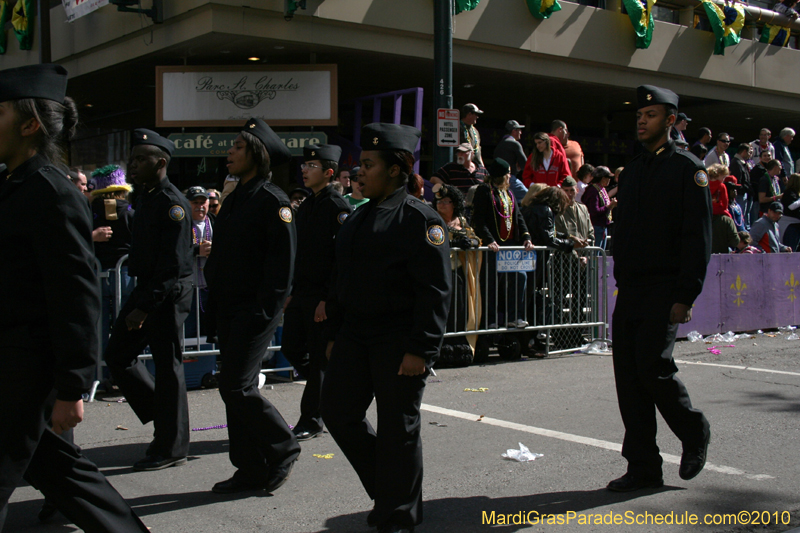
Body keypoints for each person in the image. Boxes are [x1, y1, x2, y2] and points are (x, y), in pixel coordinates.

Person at [0, 63, 149, 532]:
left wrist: (72, 386)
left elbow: (76, 295)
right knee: (58, 470)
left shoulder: (50, 191)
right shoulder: (11, 186)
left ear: (30, 125)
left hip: (26, 369)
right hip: (8, 367)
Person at [319, 123, 451, 533]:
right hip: (355, 335)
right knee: (338, 413)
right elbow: (342, 282)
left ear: (395, 170)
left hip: (398, 339)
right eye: (360, 164)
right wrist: (334, 335)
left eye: (369, 164)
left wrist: (421, 350)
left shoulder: (419, 219)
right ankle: (391, 490)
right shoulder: (358, 218)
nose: (359, 171)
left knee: (398, 428)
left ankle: (398, 513)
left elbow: (435, 291)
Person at [609, 85, 711, 493]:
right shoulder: (632, 170)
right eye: (639, 114)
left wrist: (686, 294)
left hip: (665, 287)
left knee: (654, 368)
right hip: (631, 288)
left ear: (670, 121)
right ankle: (643, 466)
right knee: (629, 379)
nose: (641, 120)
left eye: (650, 114)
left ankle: (693, 429)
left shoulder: (688, 168)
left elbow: (696, 236)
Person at [204, 118, 301, 494]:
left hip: (254, 311)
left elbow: (281, 269)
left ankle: (282, 448)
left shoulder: (274, 202)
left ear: (257, 155)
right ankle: (249, 466)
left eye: (238, 147)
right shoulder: (234, 199)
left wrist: (264, 313)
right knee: (232, 390)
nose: (230, 152)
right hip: (229, 308)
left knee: (237, 387)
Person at [104, 129, 194, 472]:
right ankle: (165, 419)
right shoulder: (146, 196)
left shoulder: (172, 204)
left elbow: (173, 266)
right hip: (147, 287)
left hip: (165, 293)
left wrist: (144, 306)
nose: (133, 164)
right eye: (132, 158)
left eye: (141, 159)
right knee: (118, 354)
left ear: (160, 163)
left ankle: (171, 445)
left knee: (167, 364)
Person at [282, 144, 351, 442]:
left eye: (312, 166)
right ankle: (329, 386)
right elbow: (299, 254)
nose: (304, 170)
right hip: (302, 293)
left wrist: (328, 299)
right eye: (304, 165)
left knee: (318, 359)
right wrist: (291, 292)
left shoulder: (338, 208)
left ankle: (312, 418)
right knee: (291, 348)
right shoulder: (308, 205)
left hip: (323, 296)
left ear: (329, 172)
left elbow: (340, 260)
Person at [471, 158, 535, 329]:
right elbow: (479, 219)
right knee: (491, 284)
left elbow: (518, 218)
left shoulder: (509, 193)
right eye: (507, 173)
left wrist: (526, 237)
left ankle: (515, 316)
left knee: (520, 277)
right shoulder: (484, 191)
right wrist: (489, 240)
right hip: (493, 248)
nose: (510, 176)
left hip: (510, 246)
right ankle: (490, 320)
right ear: (500, 175)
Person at [432, 183, 482, 366]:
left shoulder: (462, 221)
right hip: (438, 274)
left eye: (446, 201)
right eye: (439, 201)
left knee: (459, 310)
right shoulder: (433, 221)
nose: (442, 204)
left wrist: (470, 242)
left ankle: (458, 348)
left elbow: (476, 239)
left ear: (455, 204)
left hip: (457, 272)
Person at [90, 164, 136, 351]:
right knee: (123, 323)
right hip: (124, 273)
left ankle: (100, 370)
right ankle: (121, 367)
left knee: (99, 324)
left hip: (98, 272)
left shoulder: (89, 212)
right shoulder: (131, 213)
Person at [184, 186, 214, 339]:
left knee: (210, 333)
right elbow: (175, 250)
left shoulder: (216, 222)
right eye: (195, 202)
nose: (200, 206)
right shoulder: (181, 224)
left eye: (203, 202)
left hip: (211, 288)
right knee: (190, 334)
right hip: (190, 289)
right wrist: (197, 251)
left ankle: (211, 363)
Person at [582, 166, 617, 250]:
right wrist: (610, 206)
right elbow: (594, 211)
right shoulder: (593, 190)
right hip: (596, 227)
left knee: (600, 255)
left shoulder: (601, 189)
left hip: (602, 227)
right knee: (595, 255)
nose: (609, 180)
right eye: (607, 177)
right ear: (601, 178)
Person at [730, 143, 754, 229]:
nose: (750, 155)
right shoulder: (736, 163)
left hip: (744, 194)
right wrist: (745, 189)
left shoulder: (743, 163)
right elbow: (738, 181)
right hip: (740, 195)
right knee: (739, 217)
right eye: (749, 152)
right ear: (744, 152)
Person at [781, 173, 800, 250]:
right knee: (791, 248)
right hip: (790, 225)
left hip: (796, 224)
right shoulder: (789, 193)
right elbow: (791, 207)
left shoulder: (796, 193)